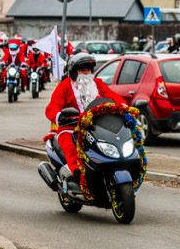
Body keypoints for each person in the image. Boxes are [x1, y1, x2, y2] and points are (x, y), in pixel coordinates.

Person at [44, 53, 128, 185]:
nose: (86, 73)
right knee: (69, 144)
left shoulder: (98, 83)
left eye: (88, 70)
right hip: (71, 126)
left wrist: (124, 107)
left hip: (96, 125)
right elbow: (52, 107)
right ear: (73, 72)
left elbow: (112, 96)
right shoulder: (64, 87)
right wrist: (61, 116)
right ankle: (77, 173)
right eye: (82, 70)